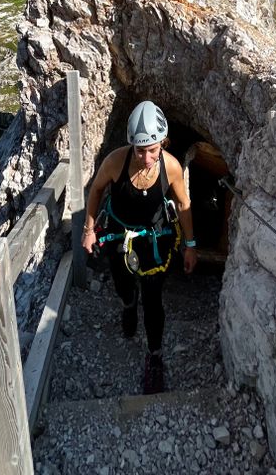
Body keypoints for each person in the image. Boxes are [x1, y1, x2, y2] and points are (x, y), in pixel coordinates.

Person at [81, 100, 198, 394]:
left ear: (163, 144)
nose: (147, 158)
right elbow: (96, 190)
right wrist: (88, 230)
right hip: (119, 235)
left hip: (155, 239)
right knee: (122, 286)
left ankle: (155, 356)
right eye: (140, 150)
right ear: (131, 145)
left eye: (153, 149)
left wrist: (190, 245)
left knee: (154, 298)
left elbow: (183, 205)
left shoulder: (170, 166)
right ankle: (128, 304)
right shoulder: (115, 162)